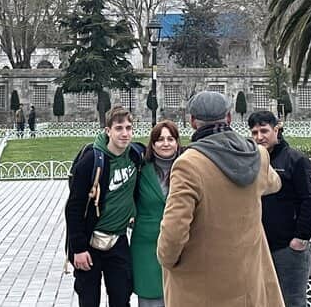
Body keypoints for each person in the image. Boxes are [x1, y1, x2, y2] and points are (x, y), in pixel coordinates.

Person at [158, 91, 284, 307]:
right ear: (229, 118)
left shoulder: (188, 164)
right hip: (248, 280)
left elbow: (174, 231)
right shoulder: (258, 155)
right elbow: (275, 183)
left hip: (202, 285)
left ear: (193, 122)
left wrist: (166, 259)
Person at [65, 106, 144, 307]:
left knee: (121, 297)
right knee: (89, 299)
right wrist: (78, 248)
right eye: (119, 128)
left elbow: (164, 150)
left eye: (128, 127)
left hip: (117, 240)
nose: (125, 133)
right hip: (90, 241)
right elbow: (73, 207)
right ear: (108, 131)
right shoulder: (92, 161)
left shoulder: (135, 154)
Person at [249, 111, 311, 307]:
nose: (259, 137)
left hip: (288, 248)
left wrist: (301, 238)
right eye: (254, 132)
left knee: (292, 301)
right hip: (259, 247)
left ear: (276, 130)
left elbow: (310, 199)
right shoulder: (252, 161)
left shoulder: (296, 159)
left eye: (264, 130)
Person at [130, 120, 181, 307]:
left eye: (170, 139)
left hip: (180, 243)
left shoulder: (187, 168)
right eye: (160, 139)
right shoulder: (141, 169)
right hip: (146, 244)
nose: (165, 143)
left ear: (177, 142)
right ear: (152, 144)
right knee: (151, 299)